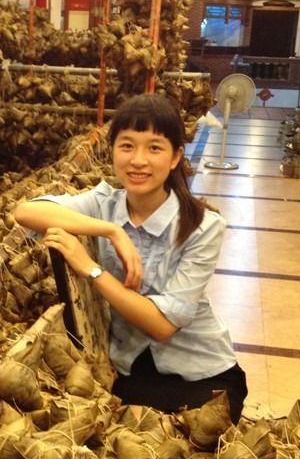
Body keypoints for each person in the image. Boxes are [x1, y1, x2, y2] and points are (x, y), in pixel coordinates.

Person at [14, 93, 248, 422]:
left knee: (198, 430)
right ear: (112, 151)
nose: (138, 160)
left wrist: (92, 270)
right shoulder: (104, 204)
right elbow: (26, 212)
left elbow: (162, 325)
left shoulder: (203, 226)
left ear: (175, 157)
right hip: (129, 369)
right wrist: (111, 230)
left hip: (201, 373)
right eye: (127, 146)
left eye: (154, 148)